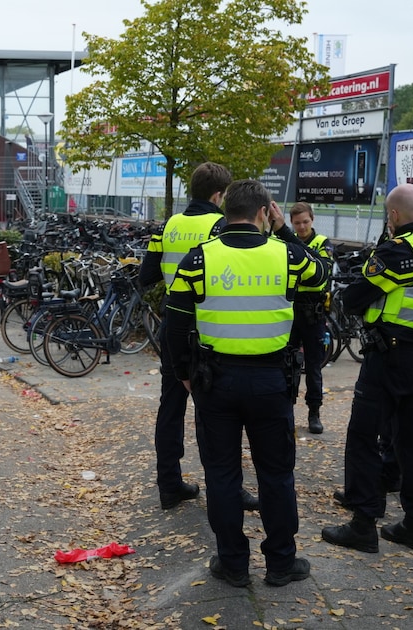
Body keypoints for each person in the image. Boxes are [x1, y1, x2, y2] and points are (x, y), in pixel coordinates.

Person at [165, 179, 328, 588]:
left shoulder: (198, 260)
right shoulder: (290, 257)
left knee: (221, 475)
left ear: (225, 212)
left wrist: (183, 374)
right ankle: (281, 562)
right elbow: (323, 276)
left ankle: (233, 563)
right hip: (272, 382)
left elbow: (173, 325)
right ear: (264, 213)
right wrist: (285, 229)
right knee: (276, 474)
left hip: (214, 383)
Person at [321, 184, 413, 554]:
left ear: (394, 216)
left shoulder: (399, 253)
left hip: (388, 358)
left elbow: (353, 300)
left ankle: (363, 525)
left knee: (364, 438)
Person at [138, 161, 258, 512]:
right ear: (220, 195)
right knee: (218, 415)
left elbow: (147, 274)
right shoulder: (222, 225)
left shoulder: (170, 224)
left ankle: (169, 485)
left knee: (170, 408)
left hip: (172, 327)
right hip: (209, 330)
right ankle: (229, 491)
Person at [288, 202, 334, 434]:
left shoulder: (322, 243)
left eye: (305, 222)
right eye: (297, 223)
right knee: (287, 364)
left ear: (312, 219)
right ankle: (286, 410)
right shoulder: (287, 242)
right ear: (291, 224)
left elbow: (323, 274)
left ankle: (314, 412)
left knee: (313, 367)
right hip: (291, 311)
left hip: (313, 314)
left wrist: (300, 275)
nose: (302, 227)